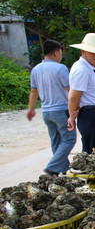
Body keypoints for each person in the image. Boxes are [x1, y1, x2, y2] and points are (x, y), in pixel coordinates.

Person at [27, 40, 76, 176]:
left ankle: (62, 170)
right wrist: (75, 109)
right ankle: (52, 167)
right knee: (69, 139)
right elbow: (70, 90)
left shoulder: (35, 70)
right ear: (56, 52)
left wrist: (31, 109)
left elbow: (33, 91)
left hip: (46, 112)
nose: (61, 54)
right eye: (60, 51)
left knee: (56, 140)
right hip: (60, 111)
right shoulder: (60, 68)